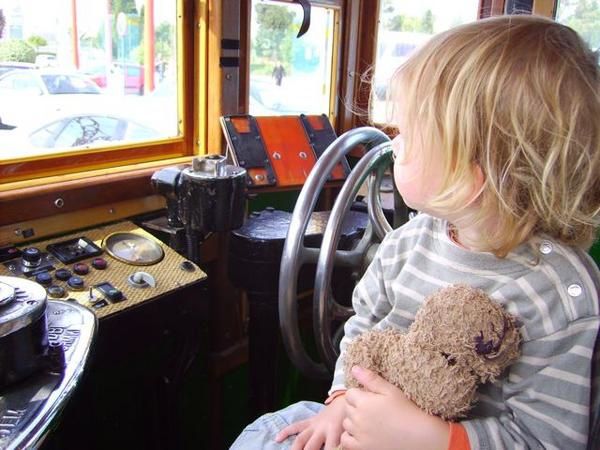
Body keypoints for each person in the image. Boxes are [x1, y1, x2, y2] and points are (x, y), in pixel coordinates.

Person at [231, 15, 600, 450]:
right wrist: (341, 399)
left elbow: (548, 440)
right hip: (362, 423)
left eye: (406, 132)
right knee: (267, 435)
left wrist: (438, 440)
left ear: (472, 171)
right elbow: (363, 329)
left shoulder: (560, 297)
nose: (393, 144)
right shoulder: (406, 242)